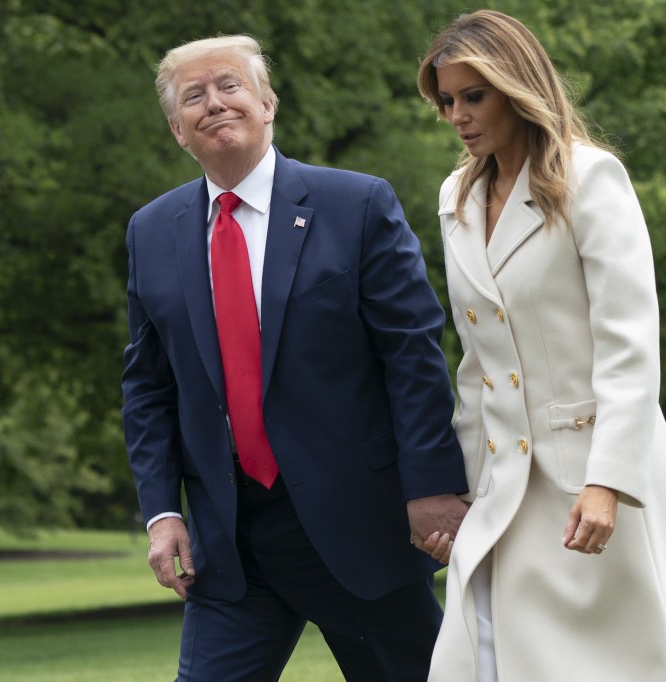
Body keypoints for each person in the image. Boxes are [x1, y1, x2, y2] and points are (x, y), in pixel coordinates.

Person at [122, 34, 469, 681]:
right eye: (193, 97)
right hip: (229, 549)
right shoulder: (151, 231)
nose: (215, 103)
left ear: (267, 103)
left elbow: (413, 356)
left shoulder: (356, 205)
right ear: (177, 129)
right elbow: (147, 388)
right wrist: (162, 513)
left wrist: (430, 484)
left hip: (357, 531)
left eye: (230, 85)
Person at [416, 10, 666, 681]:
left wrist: (607, 484)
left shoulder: (592, 179)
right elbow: (478, 362)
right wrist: (466, 488)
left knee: (633, 661)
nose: (458, 116)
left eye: (473, 96)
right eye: (447, 101)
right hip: (504, 489)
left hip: (595, 478)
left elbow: (628, 345)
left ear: (517, 86)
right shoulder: (455, 196)